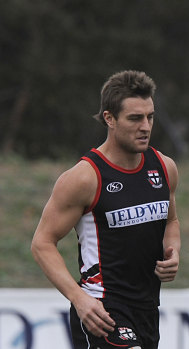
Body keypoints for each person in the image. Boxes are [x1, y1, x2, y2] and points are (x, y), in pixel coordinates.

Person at [31, 70, 181, 349]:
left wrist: (173, 251)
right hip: (102, 309)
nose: (146, 126)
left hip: (147, 308)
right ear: (109, 119)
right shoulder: (84, 178)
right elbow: (42, 243)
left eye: (150, 116)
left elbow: (171, 220)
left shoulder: (164, 167)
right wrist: (79, 299)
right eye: (135, 118)